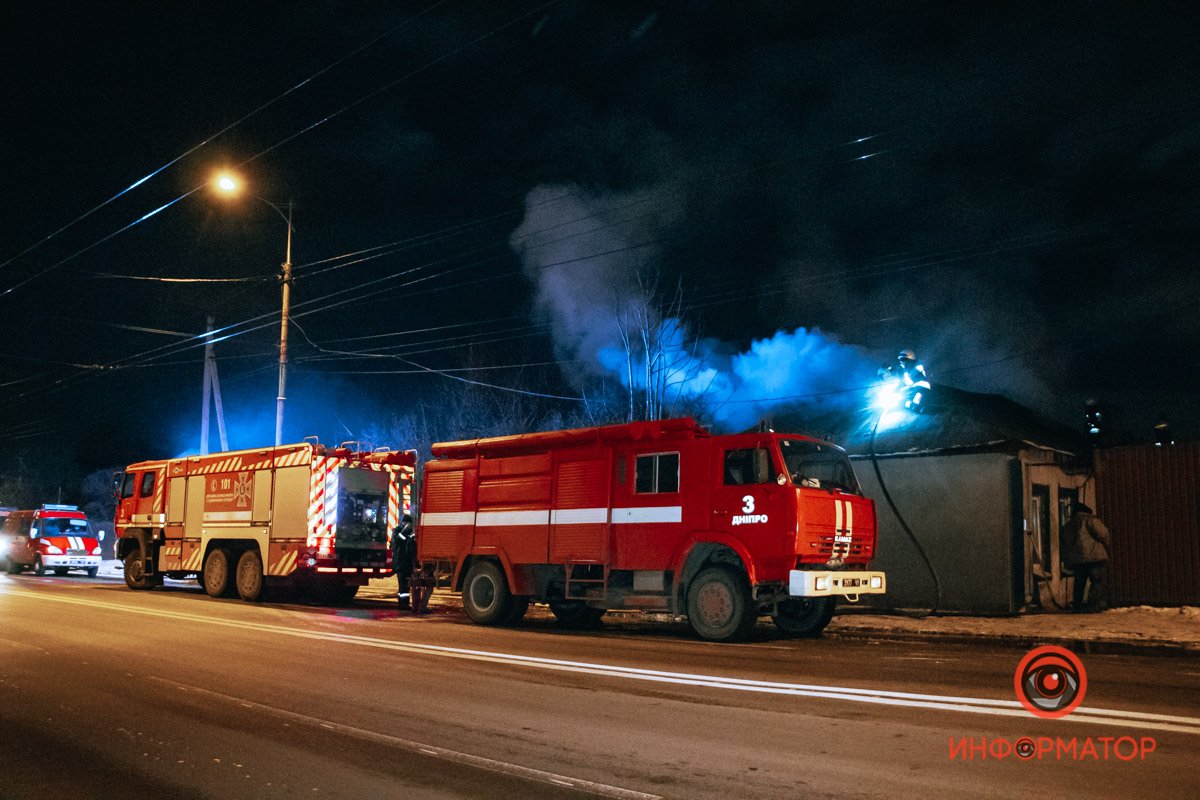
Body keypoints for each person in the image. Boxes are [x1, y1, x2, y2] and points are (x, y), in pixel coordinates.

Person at [1062, 502, 1110, 612]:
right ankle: (1092, 606)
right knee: (1097, 581)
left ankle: (1077, 605)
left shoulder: (1068, 525)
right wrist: (1106, 545)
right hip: (1094, 557)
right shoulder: (1090, 520)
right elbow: (1103, 534)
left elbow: (1065, 543)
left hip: (1077, 560)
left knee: (1079, 583)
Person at [391, 514, 416, 610]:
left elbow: (412, 545)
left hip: (408, 563)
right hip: (400, 563)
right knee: (402, 586)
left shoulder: (410, 532)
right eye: (408, 523)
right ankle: (402, 604)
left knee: (407, 585)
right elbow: (397, 541)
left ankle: (405, 603)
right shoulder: (397, 530)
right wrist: (405, 530)